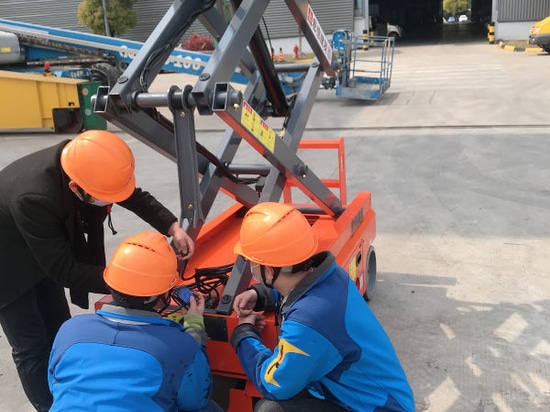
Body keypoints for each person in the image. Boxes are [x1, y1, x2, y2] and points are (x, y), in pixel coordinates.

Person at [0, 130, 194, 412]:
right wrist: (131, 280)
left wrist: (172, 226)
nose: (111, 202)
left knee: (58, 330)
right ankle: (50, 406)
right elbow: (64, 270)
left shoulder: (88, 160)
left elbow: (131, 195)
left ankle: (69, 392)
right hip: (6, 266)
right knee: (31, 346)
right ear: (75, 187)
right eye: (104, 198)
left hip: (37, 248)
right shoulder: (34, 196)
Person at [230, 202, 415, 412]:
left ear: (270, 271)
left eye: (255, 268)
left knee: (271, 410)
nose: (255, 273)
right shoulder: (333, 277)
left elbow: (275, 384)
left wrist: (244, 334)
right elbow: (299, 289)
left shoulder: (308, 322)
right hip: (382, 399)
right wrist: (262, 294)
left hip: (375, 408)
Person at [48, 231, 221, 411]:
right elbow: (196, 401)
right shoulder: (179, 345)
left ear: (111, 283)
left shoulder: (70, 330)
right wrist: (194, 327)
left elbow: (55, 385)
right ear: (163, 295)